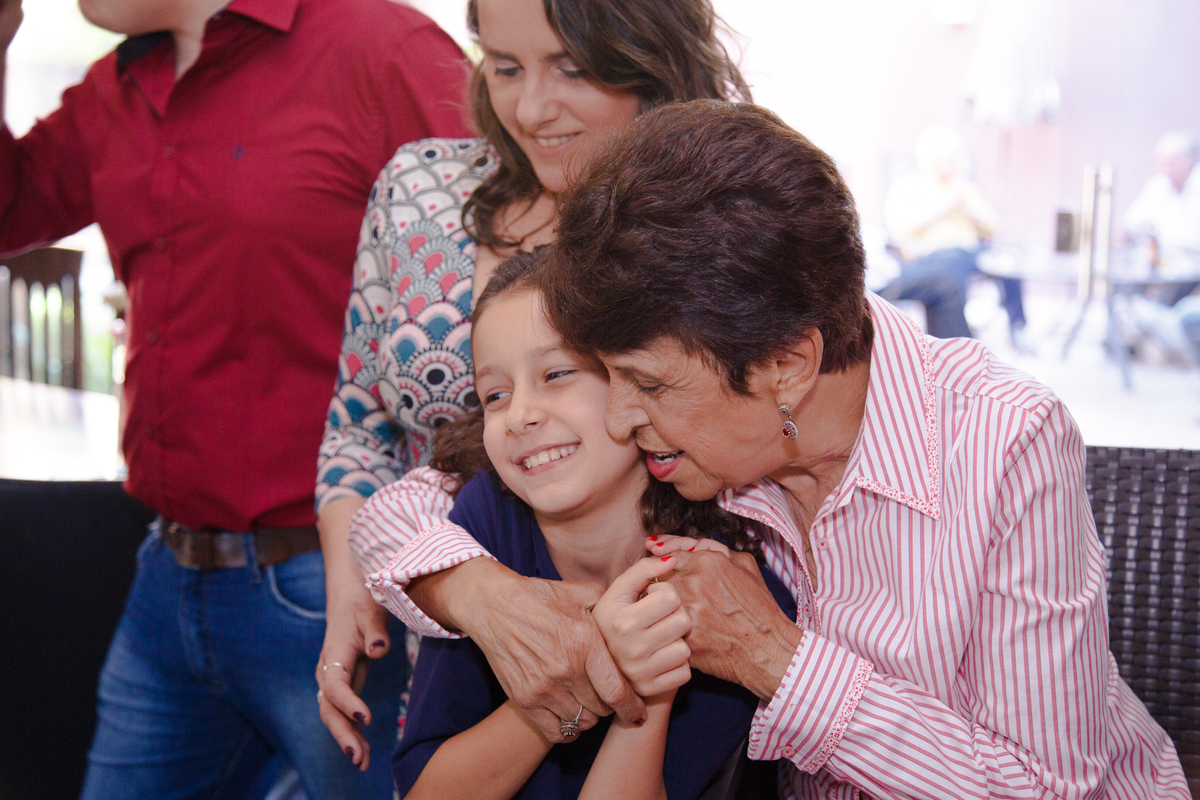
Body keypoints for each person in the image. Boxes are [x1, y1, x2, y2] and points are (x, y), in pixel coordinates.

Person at [353, 101, 1191, 798]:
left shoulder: (1003, 443)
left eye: (647, 383)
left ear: (787, 365)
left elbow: (1048, 789)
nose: (619, 420)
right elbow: (407, 503)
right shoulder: (697, 443)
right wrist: (485, 597)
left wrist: (775, 658)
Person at [0, 0, 472, 796]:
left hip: (335, 585)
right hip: (168, 572)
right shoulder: (116, 87)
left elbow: (511, 264)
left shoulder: (379, 51)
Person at [316, 0, 751, 756]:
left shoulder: (711, 221)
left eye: (572, 69)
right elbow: (359, 426)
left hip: (661, 642)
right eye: (505, 68)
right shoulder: (419, 193)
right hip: (431, 651)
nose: (531, 108)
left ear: (650, 58)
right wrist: (358, 583)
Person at [388, 247, 794, 799]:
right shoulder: (488, 517)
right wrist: (580, 674)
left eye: (556, 374)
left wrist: (647, 686)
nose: (521, 414)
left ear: (632, 384)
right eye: (495, 395)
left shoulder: (720, 584)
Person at [882, 125, 1027, 346]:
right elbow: (898, 227)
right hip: (936, 254)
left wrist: (966, 207)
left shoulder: (964, 188)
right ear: (931, 158)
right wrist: (943, 206)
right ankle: (958, 333)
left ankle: (1018, 326)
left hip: (972, 251)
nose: (955, 162)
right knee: (950, 268)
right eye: (949, 157)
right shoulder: (909, 187)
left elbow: (992, 225)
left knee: (1009, 259)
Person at [1123, 131, 1200, 306]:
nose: (1166, 169)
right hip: (1162, 270)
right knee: (1130, 301)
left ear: (1190, 162)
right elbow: (1131, 225)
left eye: (1172, 163)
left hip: (1194, 278)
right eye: (1162, 163)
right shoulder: (1157, 186)